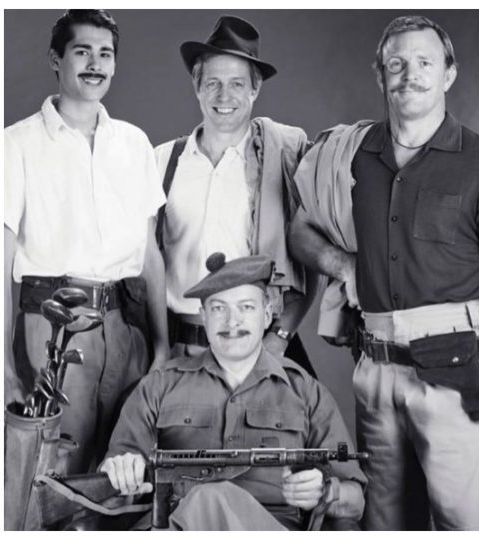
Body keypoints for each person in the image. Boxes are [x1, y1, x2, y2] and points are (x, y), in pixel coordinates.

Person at [289, 15, 479, 530]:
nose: (409, 74)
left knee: (465, 524)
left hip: (456, 378)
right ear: (380, 75)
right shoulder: (353, 155)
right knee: (384, 524)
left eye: (424, 62)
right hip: (373, 374)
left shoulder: (477, 162)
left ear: (449, 74)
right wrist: (341, 262)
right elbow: (300, 228)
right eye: (396, 63)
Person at [4, 9, 168, 475]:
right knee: (57, 471)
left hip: (124, 325)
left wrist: (160, 347)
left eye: (106, 54)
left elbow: (149, 253)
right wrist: (9, 372)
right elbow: (5, 257)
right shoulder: (18, 144)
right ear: (56, 60)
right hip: (55, 325)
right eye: (82, 52)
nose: (95, 64)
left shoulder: (133, 144)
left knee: (121, 468)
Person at [101, 254, 365, 530]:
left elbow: (356, 502)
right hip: (177, 522)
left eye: (246, 307)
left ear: (266, 316)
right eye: (218, 309)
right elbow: (114, 475)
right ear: (203, 317)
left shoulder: (305, 392)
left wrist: (325, 492)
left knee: (210, 497)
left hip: (271, 525)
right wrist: (121, 469)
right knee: (204, 500)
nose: (232, 322)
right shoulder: (159, 386)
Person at [157, 15, 316, 375]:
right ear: (196, 87)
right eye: (212, 83)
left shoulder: (284, 158)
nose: (223, 96)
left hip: (258, 347)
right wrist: (159, 349)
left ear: (254, 89)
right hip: (179, 349)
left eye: (236, 84)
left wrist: (279, 338)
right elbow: (146, 264)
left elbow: (309, 264)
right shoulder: (162, 161)